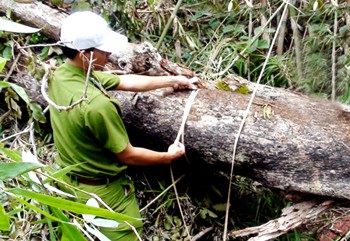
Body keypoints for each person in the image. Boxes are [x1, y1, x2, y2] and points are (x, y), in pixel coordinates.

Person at [48, 11, 195, 241]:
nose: (109, 55)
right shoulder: (97, 106)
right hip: (105, 195)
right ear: (84, 54)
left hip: (68, 183)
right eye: (103, 50)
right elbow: (129, 155)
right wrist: (168, 156)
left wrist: (173, 80)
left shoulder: (64, 75)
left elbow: (125, 81)